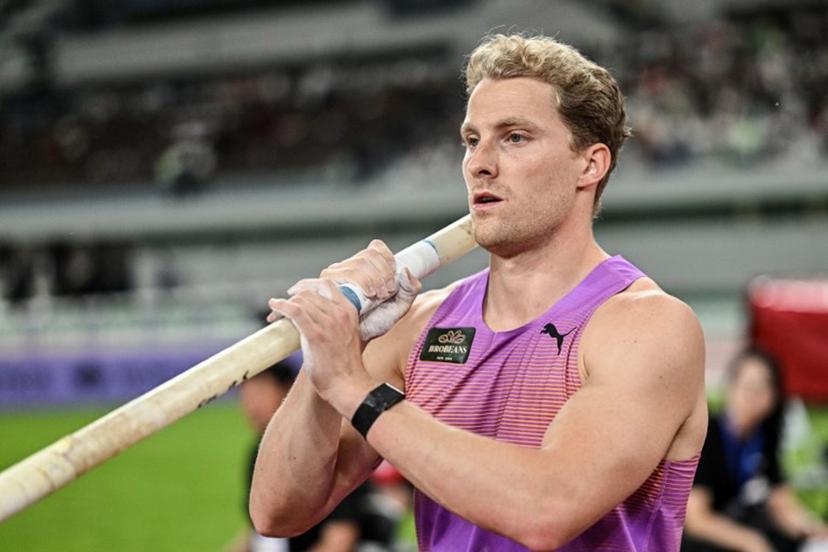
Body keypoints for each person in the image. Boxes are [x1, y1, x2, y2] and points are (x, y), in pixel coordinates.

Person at [251, 33, 708, 551]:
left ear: (590, 164)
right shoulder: (422, 324)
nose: (479, 163)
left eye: (514, 137)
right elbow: (279, 510)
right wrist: (329, 356)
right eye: (472, 140)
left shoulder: (646, 326)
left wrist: (354, 387)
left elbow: (547, 508)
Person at [683, 348, 828, 552]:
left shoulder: (763, 437)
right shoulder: (710, 434)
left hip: (735, 521)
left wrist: (814, 529)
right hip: (699, 535)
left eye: (762, 388)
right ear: (731, 387)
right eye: (747, 386)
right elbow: (696, 519)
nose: (752, 396)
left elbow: (781, 501)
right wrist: (751, 542)